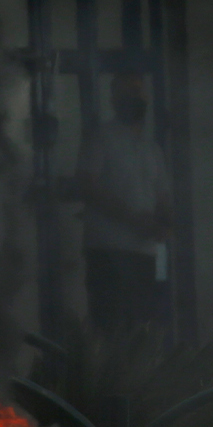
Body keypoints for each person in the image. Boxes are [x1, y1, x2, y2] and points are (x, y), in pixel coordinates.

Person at [79, 71, 171, 338]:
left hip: (146, 253)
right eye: (127, 91)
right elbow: (86, 185)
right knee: (109, 329)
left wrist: (165, 225)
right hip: (108, 250)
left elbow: (163, 197)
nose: (134, 97)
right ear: (114, 99)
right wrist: (134, 220)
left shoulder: (151, 148)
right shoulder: (101, 138)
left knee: (142, 329)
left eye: (138, 91)